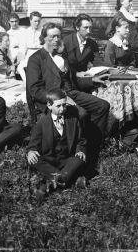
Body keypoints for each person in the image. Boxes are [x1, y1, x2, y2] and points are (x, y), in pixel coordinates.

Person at [26, 22, 110, 175]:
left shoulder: (61, 56)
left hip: (72, 92)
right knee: (82, 113)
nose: (56, 40)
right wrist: (60, 98)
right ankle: (83, 154)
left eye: (59, 36)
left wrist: (91, 81)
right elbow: (34, 89)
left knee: (102, 106)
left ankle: (92, 146)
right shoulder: (36, 59)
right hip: (56, 98)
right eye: (52, 37)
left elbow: (73, 81)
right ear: (44, 38)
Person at [27, 89, 87, 200]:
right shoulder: (42, 121)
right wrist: (31, 151)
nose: (62, 109)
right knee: (34, 160)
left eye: (64, 105)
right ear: (49, 105)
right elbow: (33, 143)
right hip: (49, 159)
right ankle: (68, 178)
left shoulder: (72, 118)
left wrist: (80, 150)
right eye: (58, 106)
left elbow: (81, 139)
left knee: (79, 159)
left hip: (67, 159)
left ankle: (49, 184)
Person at [63, 13, 100, 91]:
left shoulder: (92, 44)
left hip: (85, 80)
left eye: (90, 28)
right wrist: (76, 74)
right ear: (77, 27)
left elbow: (97, 61)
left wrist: (93, 65)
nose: (89, 31)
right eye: (85, 28)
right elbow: (62, 64)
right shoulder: (66, 42)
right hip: (67, 81)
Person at [0, 31, 25, 102]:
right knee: (23, 85)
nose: (8, 43)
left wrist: (12, 71)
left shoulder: (8, 51)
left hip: (7, 79)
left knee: (24, 85)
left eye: (9, 40)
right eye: (6, 41)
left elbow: (10, 65)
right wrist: (5, 75)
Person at [105, 0, 138, 65]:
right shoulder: (119, 16)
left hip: (137, 51)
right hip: (128, 52)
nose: (131, 3)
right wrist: (122, 43)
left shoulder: (129, 15)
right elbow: (108, 32)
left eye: (132, 1)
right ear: (122, 2)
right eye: (129, 1)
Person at [16, 11, 43, 84]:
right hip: (29, 53)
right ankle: (27, 83)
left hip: (41, 53)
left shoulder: (43, 31)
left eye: (38, 21)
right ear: (30, 20)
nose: (37, 23)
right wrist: (21, 59)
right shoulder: (26, 32)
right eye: (35, 21)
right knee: (20, 67)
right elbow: (23, 47)